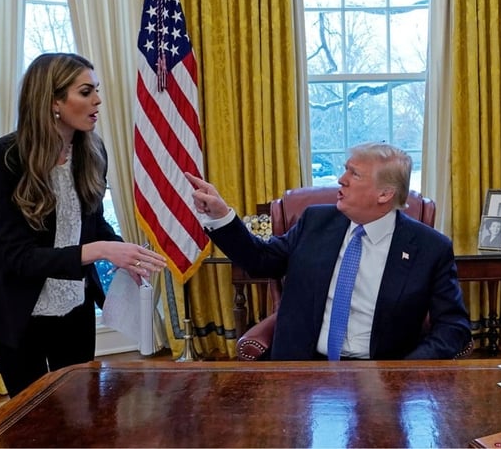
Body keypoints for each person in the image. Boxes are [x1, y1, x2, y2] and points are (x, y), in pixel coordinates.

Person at [0, 53, 166, 397]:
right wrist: (99, 250)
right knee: (32, 412)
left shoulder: (92, 150)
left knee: (81, 402)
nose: (98, 100)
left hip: (73, 302)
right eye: (86, 92)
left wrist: (123, 254)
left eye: (96, 90)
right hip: (13, 305)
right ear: (52, 100)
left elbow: (93, 224)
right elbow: (19, 258)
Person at [186, 142, 471, 360]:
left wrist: (403, 375)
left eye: (354, 173)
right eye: (346, 169)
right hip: (303, 369)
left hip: (380, 377)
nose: (341, 179)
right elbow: (261, 262)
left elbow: (453, 328)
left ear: (384, 195)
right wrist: (222, 216)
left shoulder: (430, 248)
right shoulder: (315, 222)